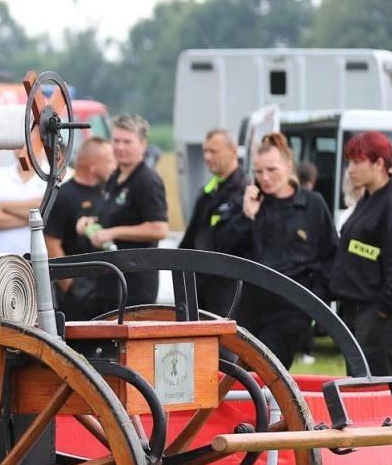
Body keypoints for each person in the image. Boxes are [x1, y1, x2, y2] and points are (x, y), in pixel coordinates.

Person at [213, 132, 337, 368]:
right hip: (250, 305)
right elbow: (222, 246)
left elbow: (330, 256)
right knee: (235, 374)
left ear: (288, 166)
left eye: (272, 170)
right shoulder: (252, 203)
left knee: (264, 371)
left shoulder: (313, 204)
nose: (265, 178)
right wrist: (246, 216)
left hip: (290, 308)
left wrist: (313, 301)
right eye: (259, 172)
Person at [329, 131, 392, 376]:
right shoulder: (371, 200)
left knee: (379, 394)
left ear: (379, 164)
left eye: (357, 162)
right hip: (363, 313)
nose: (350, 169)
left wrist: (380, 312)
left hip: (384, 318)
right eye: (349, 161)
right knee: (360, 392)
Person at [95, 113, 169, 306]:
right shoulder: (114, 177)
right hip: (110, 280)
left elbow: (159, 228)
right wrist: (91, 223)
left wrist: (112, 232)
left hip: (135, 286)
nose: (120, 147)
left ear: (143, 144)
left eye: (127, 142)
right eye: (116, 141)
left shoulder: (147, 181)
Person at [44, 135, 119, 320]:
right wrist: (71, 286)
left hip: (111, 288)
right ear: (93, 166)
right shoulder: (63, 196)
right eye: (109, 161)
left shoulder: (110, 193)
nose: (114, 166)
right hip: (79, 296)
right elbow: (51, 244)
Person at [178, 127, 247, 316]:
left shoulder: (244, 192)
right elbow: (191, 237)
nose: (207, 157)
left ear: (233, 151)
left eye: (213, 151)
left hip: (227, 288)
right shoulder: (208, 190)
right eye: (205, 151)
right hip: (199, 285)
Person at [0, 150, 47, 254]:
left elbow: (49, 207)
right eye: (19, 144)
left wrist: (2, 205)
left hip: (41, 262)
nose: (24, 148)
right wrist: (36, 220)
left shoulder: (58, 176)